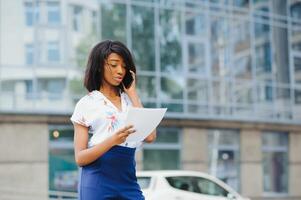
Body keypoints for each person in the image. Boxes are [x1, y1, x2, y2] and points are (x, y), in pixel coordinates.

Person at [70, 40, 156, 200]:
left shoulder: (130, 101)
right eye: (114, 64)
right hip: (97, 182)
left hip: (128, 180)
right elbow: (80, 158)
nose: (120, 71)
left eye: (124, 66)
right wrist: (112, 140)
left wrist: (132, 93)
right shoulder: (86, 103)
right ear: (99, 66)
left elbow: (150, 136)